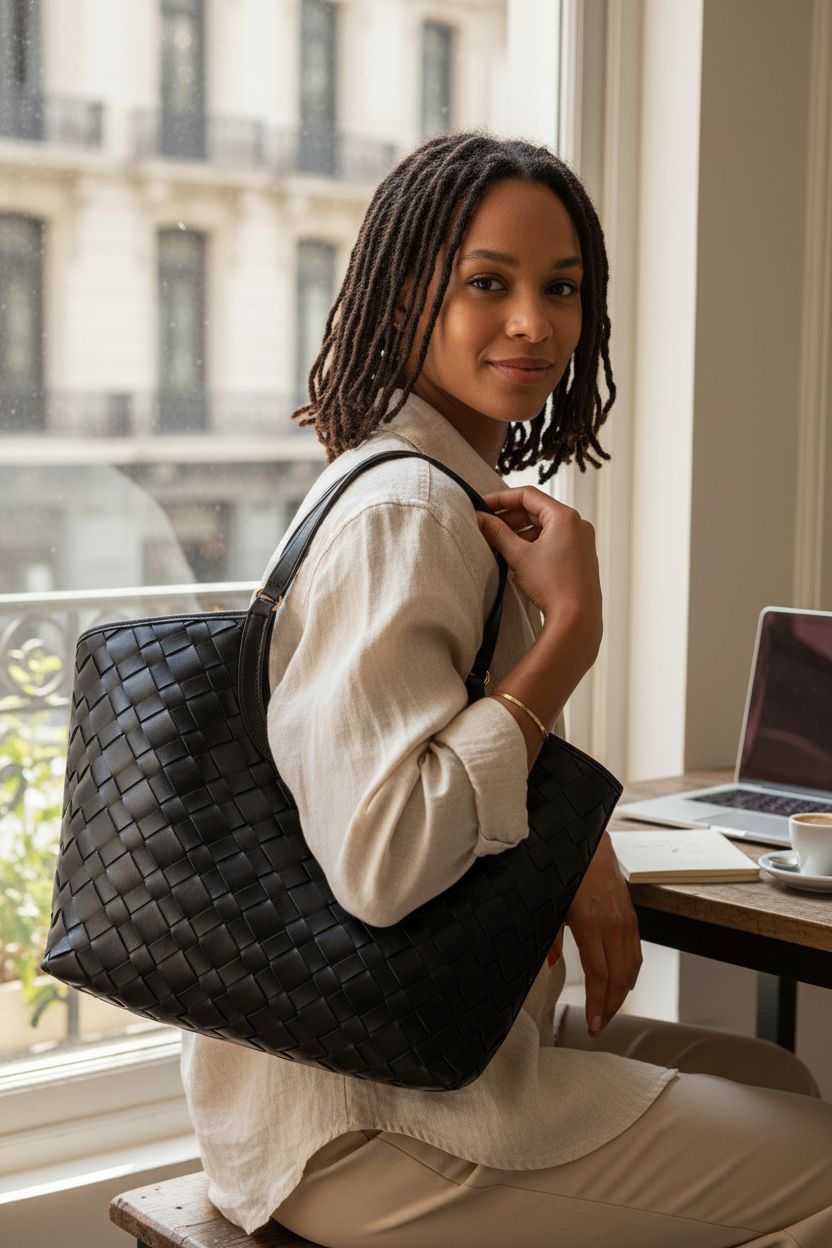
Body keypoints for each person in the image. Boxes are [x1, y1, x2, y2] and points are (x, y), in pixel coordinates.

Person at [181, 133, 832, 1247]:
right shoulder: (408, 514)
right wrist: (570, 633)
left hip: (426, 1050)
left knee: (768, 1069)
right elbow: (385, 863)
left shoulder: (434, 489)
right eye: (488, 283)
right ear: (402, 301)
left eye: (561, 288)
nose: (534, 323)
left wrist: (572, 846)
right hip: (373, 1116)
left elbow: (418, 752)